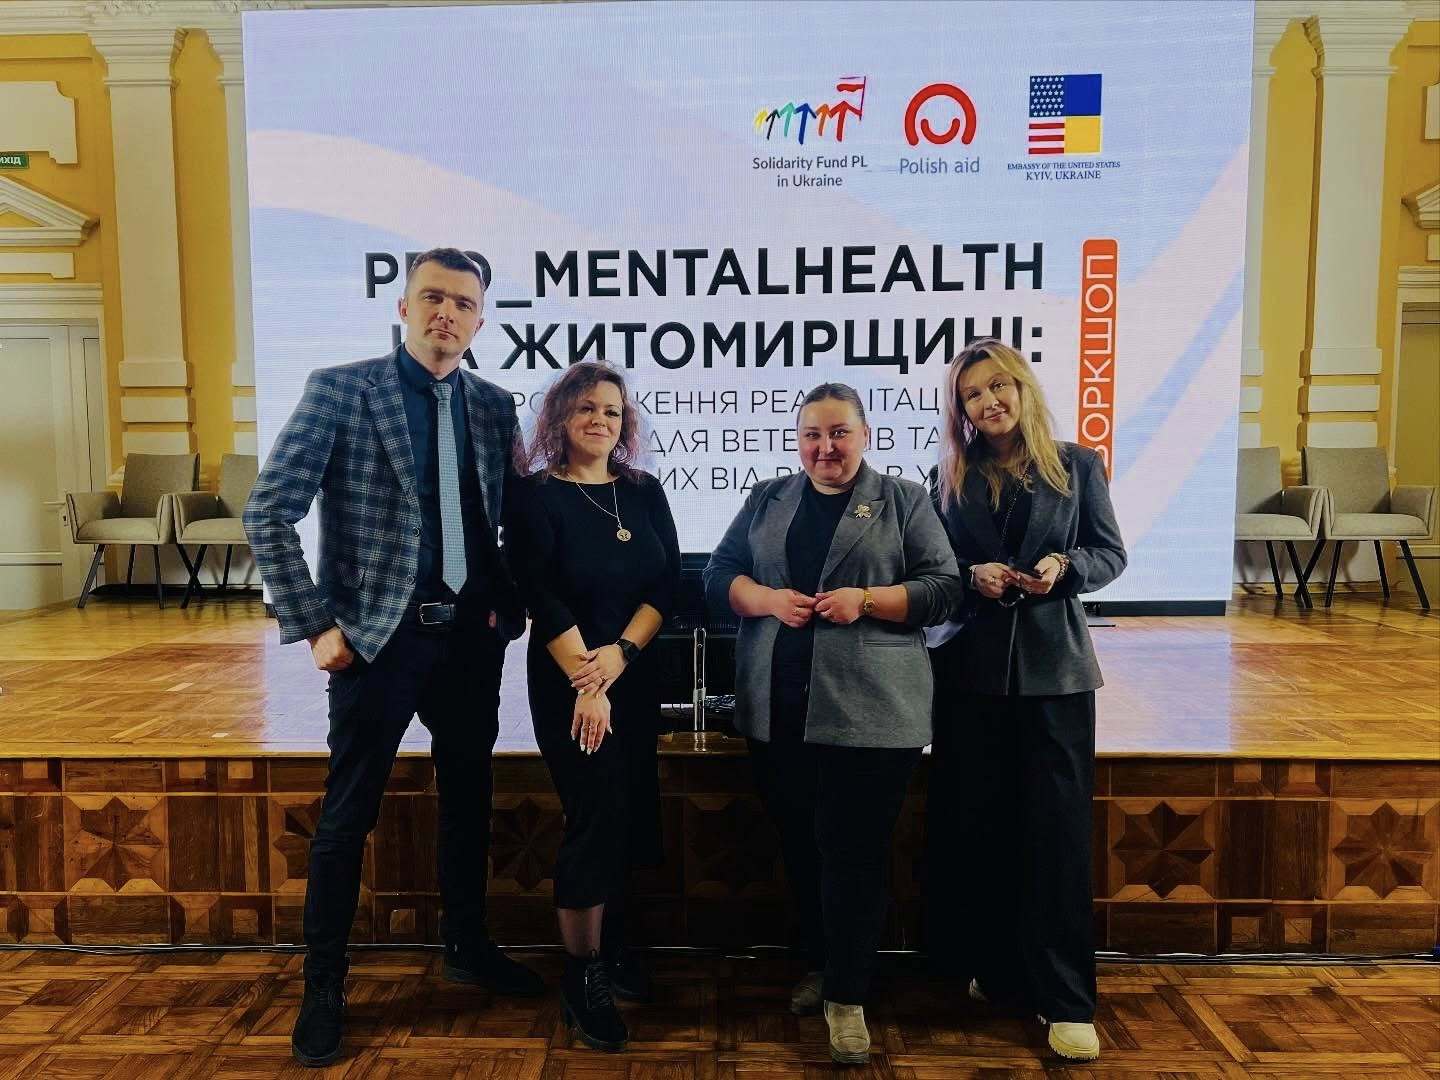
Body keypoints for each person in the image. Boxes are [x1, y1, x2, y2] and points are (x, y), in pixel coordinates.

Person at [243, 247, 545, 1069]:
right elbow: (267, 511)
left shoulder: (493, 406)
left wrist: (508, 605)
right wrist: (315, 624)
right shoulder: (342, 391)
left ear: (480, 320)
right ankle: (324, 986)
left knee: (468, 801)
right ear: (404, 307)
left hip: (470, 642)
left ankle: (467, 946)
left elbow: (507, 518)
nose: (448, 313)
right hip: (376, 642)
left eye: (464, 303)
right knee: (348, 816)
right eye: (433, 297)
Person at [703, 383, 960, 1065]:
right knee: (802, 847)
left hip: (872, 715)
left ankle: (848, 999)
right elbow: (719, 575)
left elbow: (944, 589)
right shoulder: (768, 498)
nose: (826, 448)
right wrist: (763, 598)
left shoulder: (905, 500)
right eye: (812, 435)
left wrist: (867, 600)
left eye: (839, 433)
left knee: (853, 853)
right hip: (778, 711)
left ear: (866, 435)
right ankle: (823, 964)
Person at [924, 339, 1126, 1064]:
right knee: (981, 827)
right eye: (973, 394)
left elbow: (1110, 553)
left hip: (1056, 677)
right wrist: (968, 574)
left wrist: (1065, 566)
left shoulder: (1077, 465)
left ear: (1023, 388)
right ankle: (1001, 970)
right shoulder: (948, 476)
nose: (990, 402)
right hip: (970, 678)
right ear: (961, 409)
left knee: (1058, 837)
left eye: (999, 386)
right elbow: (934, 565)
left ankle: (1068, 1000)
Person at [505, 363, 680, 1052]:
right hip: (570, 681)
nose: (600, 420)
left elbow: (666, 584)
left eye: (611, 410)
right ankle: (582, 977)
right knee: (595, 814)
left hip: (631, 675)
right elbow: (539, 593)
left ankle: (615, 947)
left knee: (629, 810)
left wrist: (622, 657)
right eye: (585, 408)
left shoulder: (643, 490)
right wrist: (590, 682)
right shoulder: (535, 495)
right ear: (559, 418)